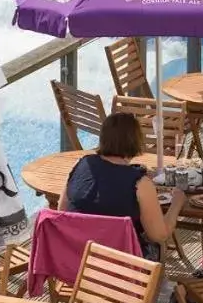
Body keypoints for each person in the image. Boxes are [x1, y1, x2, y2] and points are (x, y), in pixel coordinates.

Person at [61, 111, 187, 262]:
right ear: (134, 141)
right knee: (156, 244)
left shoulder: (80, 164)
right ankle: (160, 284)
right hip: (122, 269)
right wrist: (177, 203)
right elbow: (159, 235)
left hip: (78, 262)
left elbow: (62, 213)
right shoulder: (139, 183)